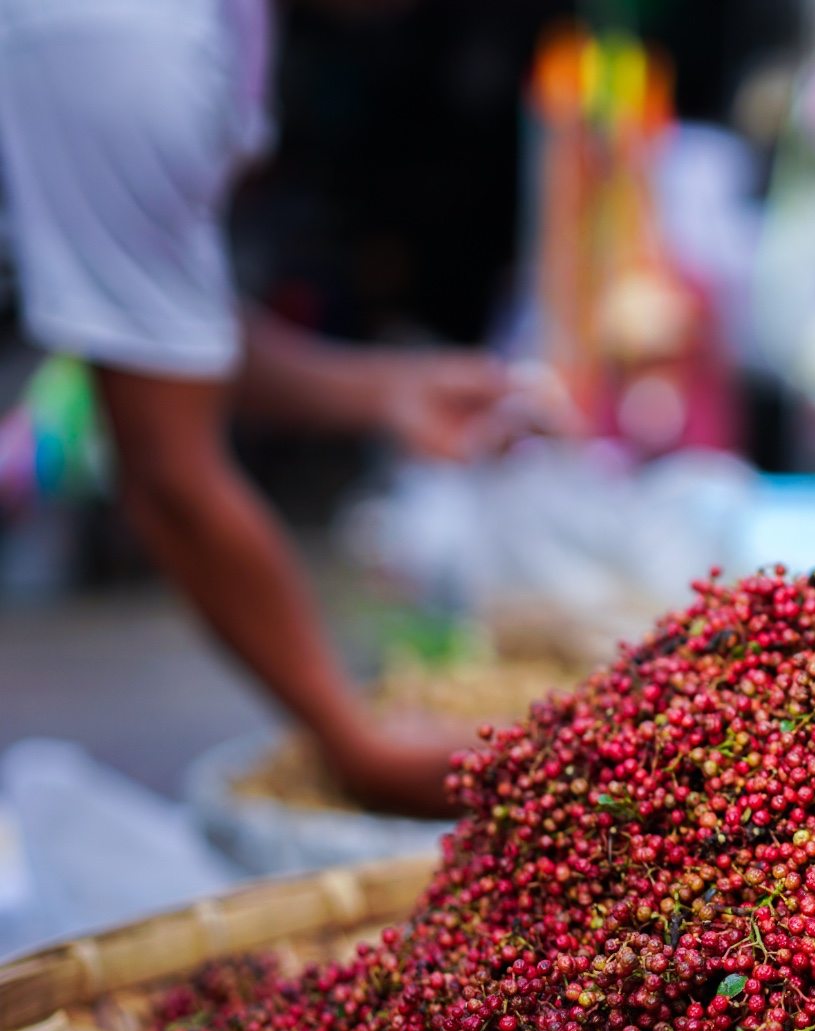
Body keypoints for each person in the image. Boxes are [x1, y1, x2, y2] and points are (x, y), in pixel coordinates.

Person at [0, 0, 515, 815]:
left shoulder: (221, 25)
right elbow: (169, 480)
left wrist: (384, 390)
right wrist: (356, 740)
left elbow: (171, 326)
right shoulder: (128, 34)